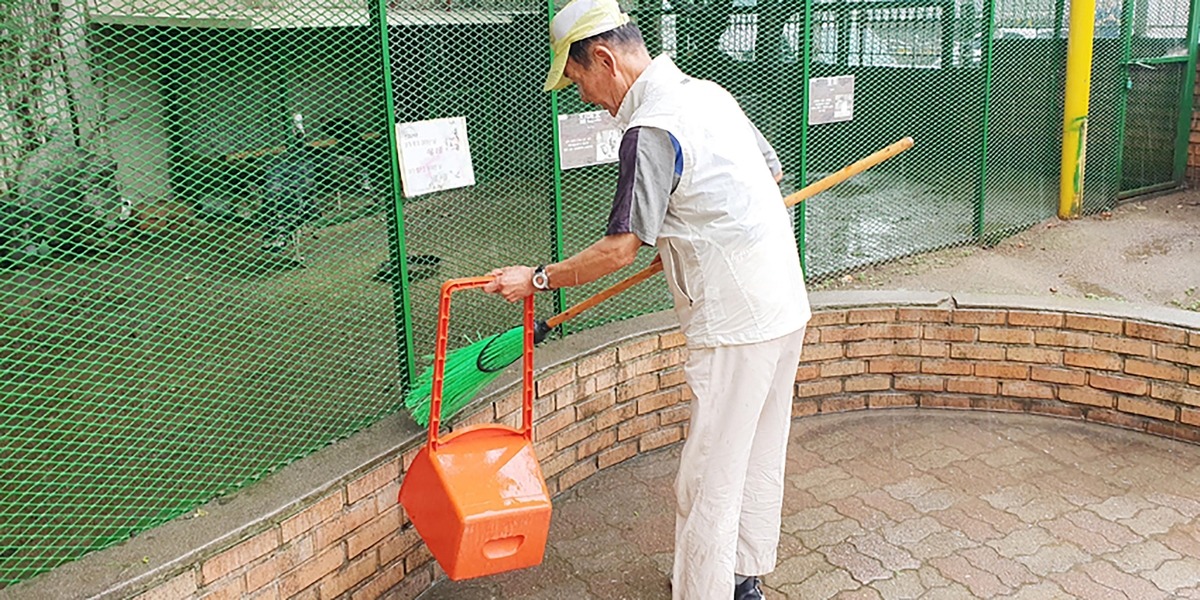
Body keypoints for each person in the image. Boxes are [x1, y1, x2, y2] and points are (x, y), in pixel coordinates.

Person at [482, 0, 810, 597]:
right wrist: (692, 228)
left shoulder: (650, 127)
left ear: (604, 58)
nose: (585, 98)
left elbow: (617, 251)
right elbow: (771, 174)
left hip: (735, 322)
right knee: (760, 449)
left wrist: (534, 279)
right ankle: (742, 579)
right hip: (784, 302)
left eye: (580, 80)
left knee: (709, 473)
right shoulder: (709, 93)